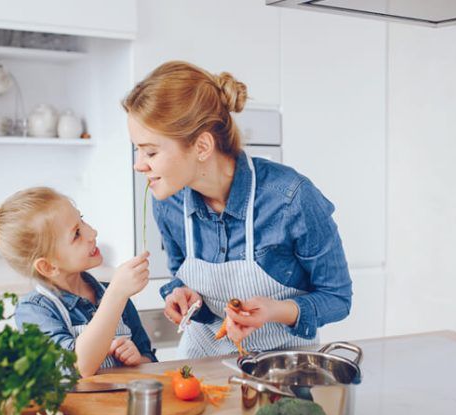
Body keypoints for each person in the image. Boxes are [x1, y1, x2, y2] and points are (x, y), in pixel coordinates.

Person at [123, 61, 353, 358]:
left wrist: (274, 311)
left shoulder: (291, 198)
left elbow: (337, 298)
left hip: (281, 366)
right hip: (201, 361)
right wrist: (181, 295)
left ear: (202, 147)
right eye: (137, 149)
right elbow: (180, 274)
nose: (139, 164)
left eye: (151, 151)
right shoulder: (168, 202)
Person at [0, 187, 156, 376]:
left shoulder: (111, 293)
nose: (92, 232)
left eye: (82, 220)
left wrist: (138, 361)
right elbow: (76, 368)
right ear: (48, 267)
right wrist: (116, 295)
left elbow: (150, 360)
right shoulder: (35, 311)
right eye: (76, 233)